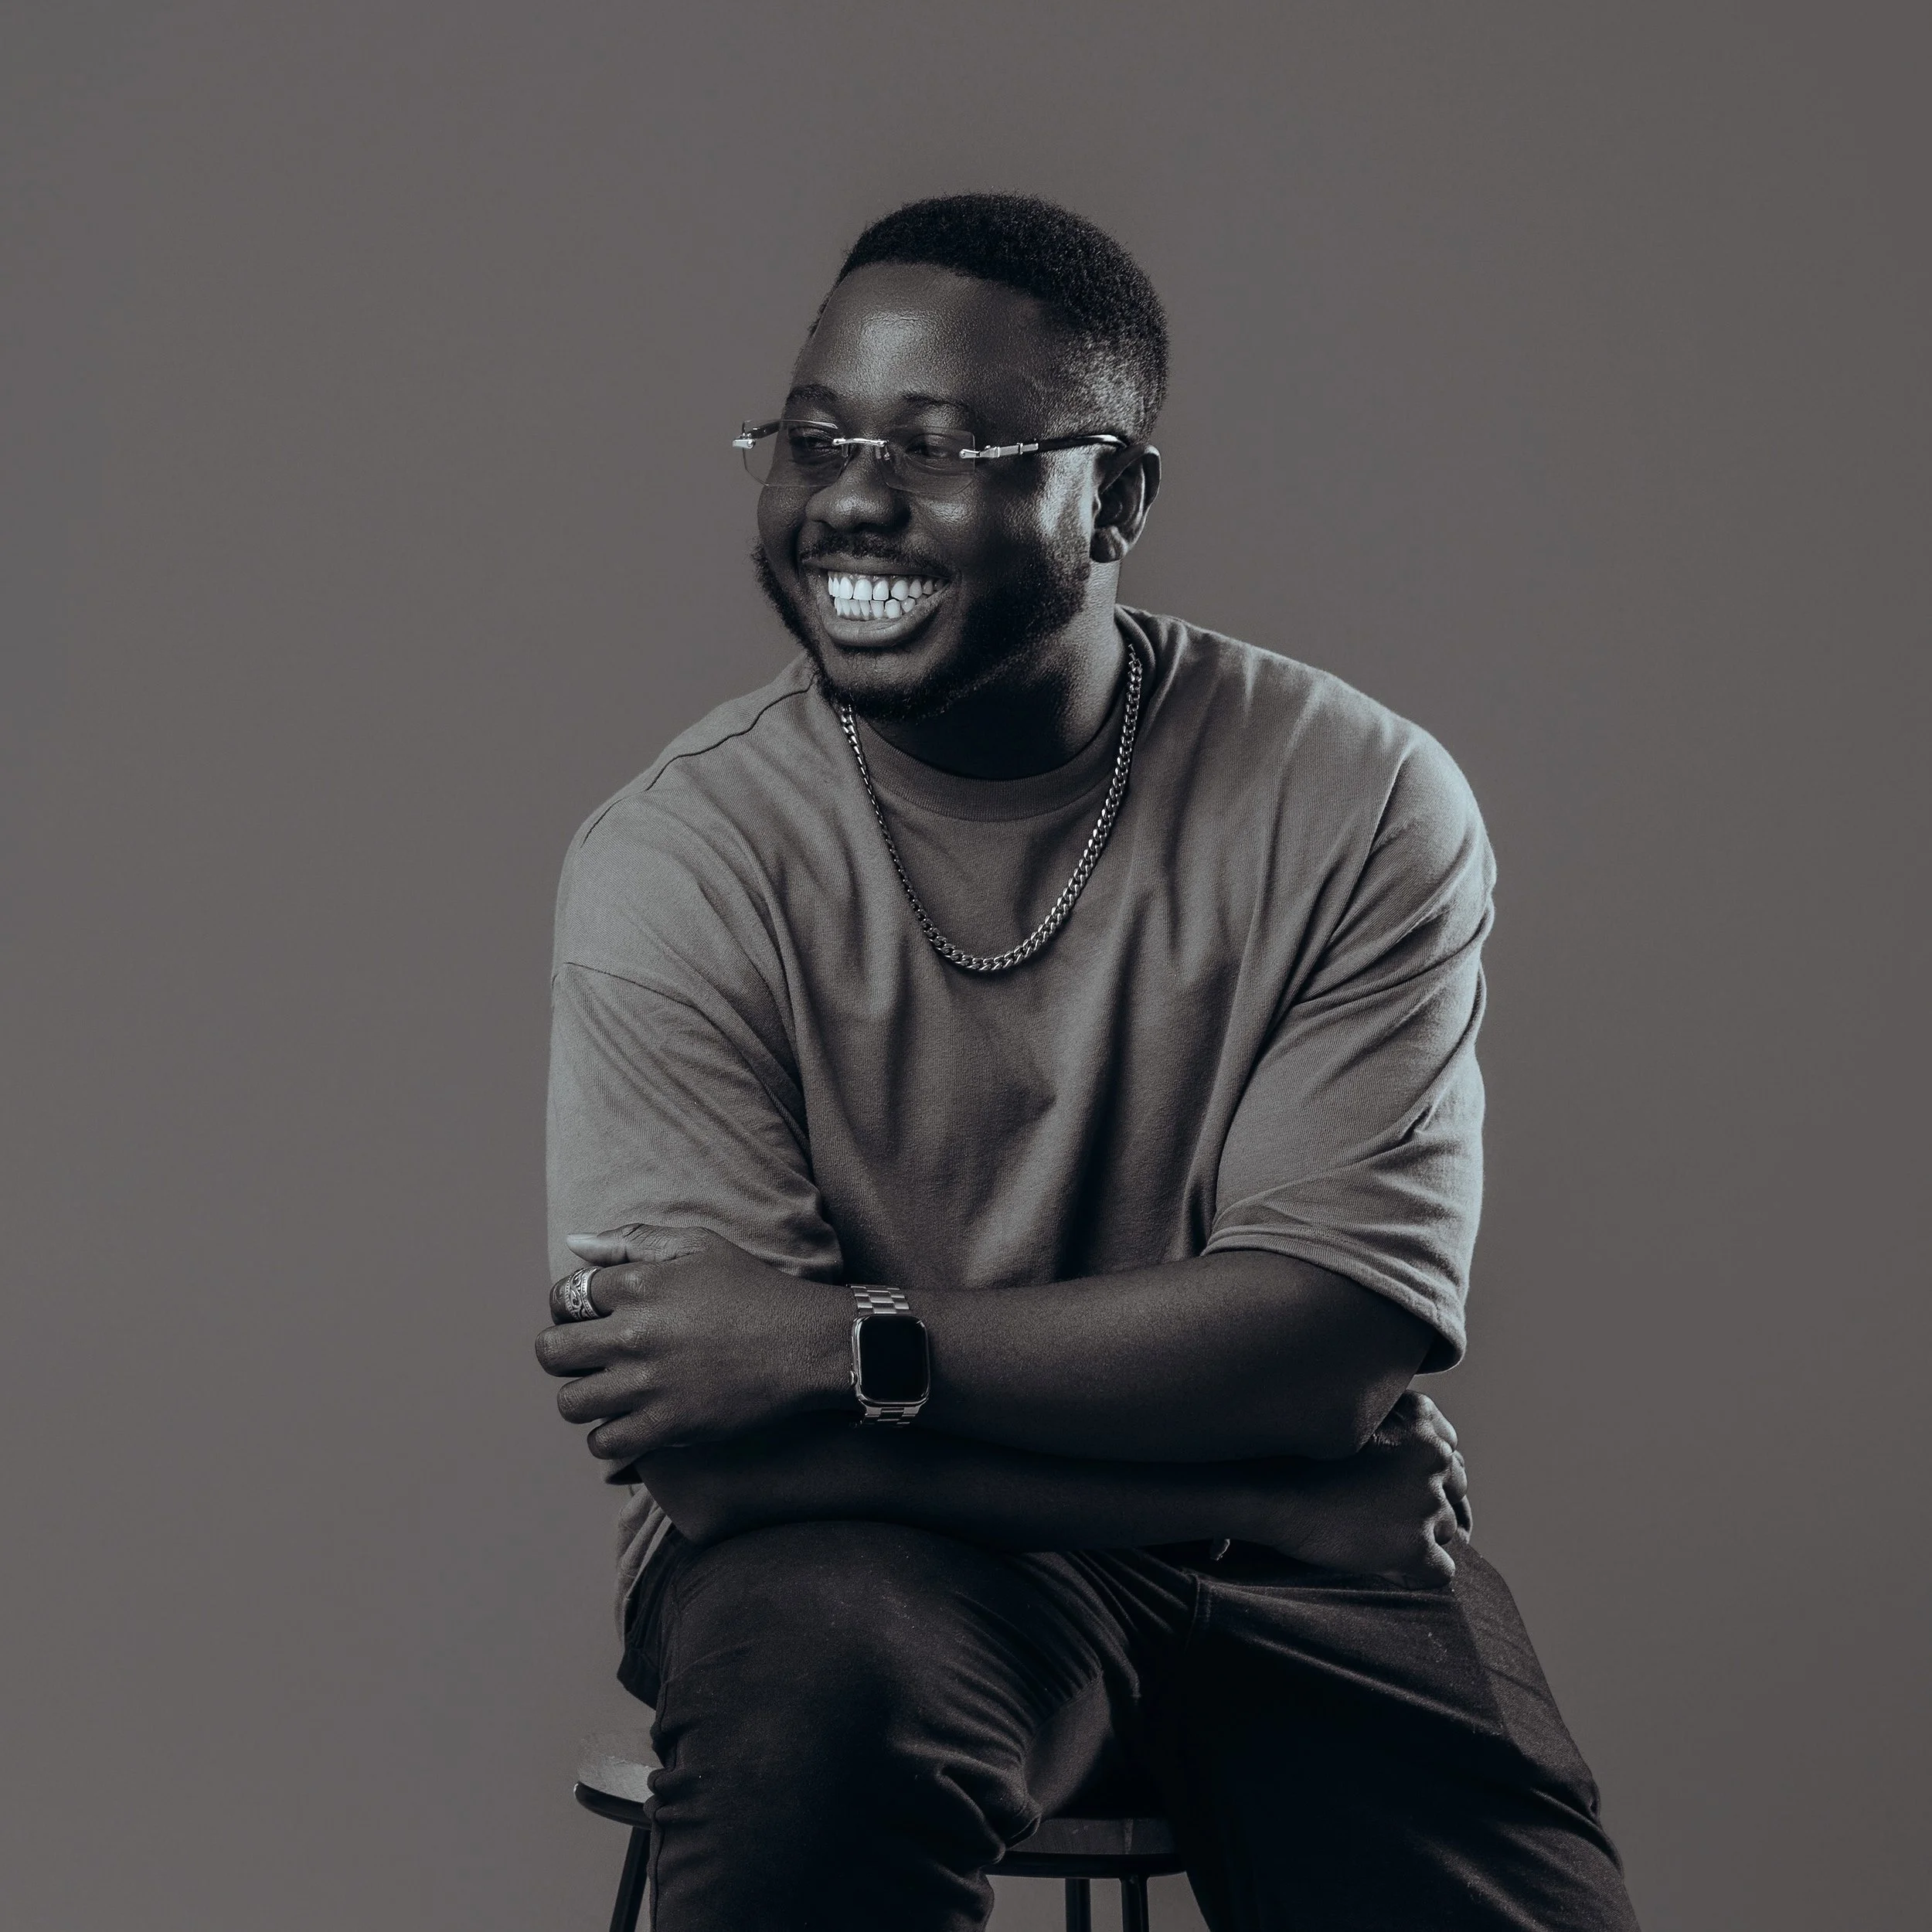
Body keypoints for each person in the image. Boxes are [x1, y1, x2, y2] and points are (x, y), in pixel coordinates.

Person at [536, 192, 1638, 1931]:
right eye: (811, 436)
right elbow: (720, 1457)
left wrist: (840, 1356)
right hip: (899, 1556)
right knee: (811, 1692)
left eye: (942, 443)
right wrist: (1260, 1495)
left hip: (1313, 1586)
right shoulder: (680, 860)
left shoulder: (1352, 796)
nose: (853, 498)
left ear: (1115, 495)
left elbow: (1329, 1340)